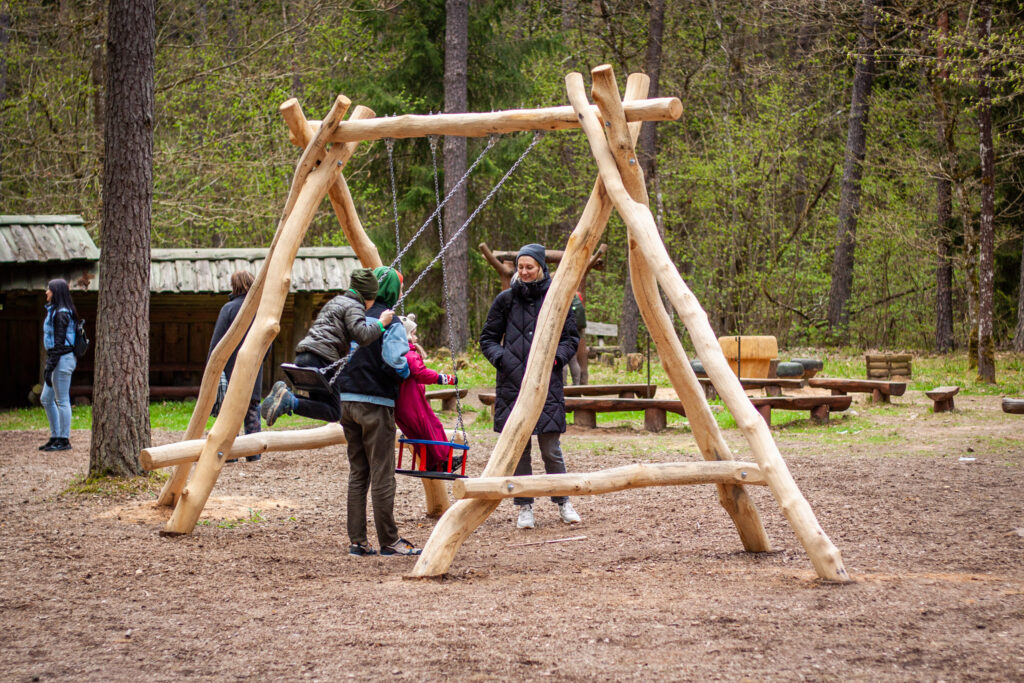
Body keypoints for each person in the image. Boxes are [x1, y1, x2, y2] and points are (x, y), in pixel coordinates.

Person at [479, 243, 581, 529]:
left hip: (547, 384)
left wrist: (555, 360)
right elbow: (487, 338)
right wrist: (503, 360)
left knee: (551, 449)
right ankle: (524, 506)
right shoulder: (506, 300)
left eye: (529, 267)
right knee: (519, 450)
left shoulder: (557, 298)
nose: (524, 272)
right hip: (513, 384)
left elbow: (570, 339)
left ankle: (563, 501)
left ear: (540, 268)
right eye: (520, 267)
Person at [337, 266, 421, 557]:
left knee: (358, 472)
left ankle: (357, 541)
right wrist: (409, 367)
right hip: (375, 402)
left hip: (346, 401)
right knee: (382, 472)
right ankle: (389, 540)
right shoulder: (391, 321)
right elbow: (395, 361)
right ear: (392, 291)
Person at [260, 267, 394, 427]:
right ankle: (289, 400)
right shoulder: (355, 306)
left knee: (322, 405)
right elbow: (362, 336)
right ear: (368, 296)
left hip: (305, 355)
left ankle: (287, 398)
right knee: (333, 411)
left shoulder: (336, 301)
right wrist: (381, 323)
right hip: (323, 358)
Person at [208, 271, 265, 462]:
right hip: (253, 369)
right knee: (252, 410)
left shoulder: (229, 309)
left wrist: (212, 370)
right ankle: (254, 453)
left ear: (234, 286)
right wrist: (260, 361)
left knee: (228, 414)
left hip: (231, 369)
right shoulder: (260, 309)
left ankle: (229, 455)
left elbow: (217, 343)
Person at [395, 314, 461, 473]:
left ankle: (434, 462)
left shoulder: (399, 353)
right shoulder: (409, 354)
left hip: (407, 404)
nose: (416, 338)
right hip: (412, 404)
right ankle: (442, 461)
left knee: (423, 433)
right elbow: (421, 373)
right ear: (405, 335)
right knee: (431, 429)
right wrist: (443, 378)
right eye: (413, 334)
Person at [39, 279, 78, 452]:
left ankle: (63, 439)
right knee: (46, 399)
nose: (46, 292)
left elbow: (59, 343)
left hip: (62, 359)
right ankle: (55, 436)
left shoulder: (61, 314)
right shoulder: (56, 311)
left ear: (56, 292)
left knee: (62, 400)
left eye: (49, 289)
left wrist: (49, 367)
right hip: (58, 358)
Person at [568, 291, 588, 385]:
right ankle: (576, 383)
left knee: (564, 360)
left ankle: (564, 383)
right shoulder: (577, 295)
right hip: (577, 331)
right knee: (573, 359)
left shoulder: (564, 295)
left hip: (566, 330)